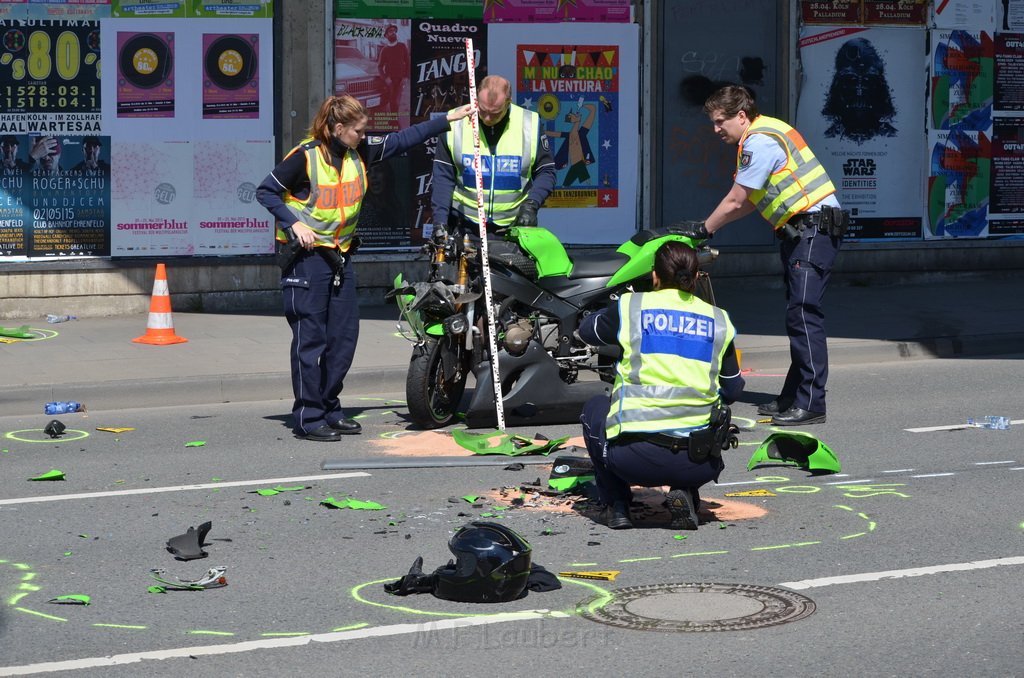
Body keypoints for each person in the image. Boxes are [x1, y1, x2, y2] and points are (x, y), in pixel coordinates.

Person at [256, 94, 474, 441]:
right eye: (357, 130)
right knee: (310, 341)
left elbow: (405, 139)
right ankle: (309, 417)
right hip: (307, 260)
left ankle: (330, 407)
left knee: (343, 340)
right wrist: (292, 224)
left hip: (340, 257)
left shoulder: (360, 152)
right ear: (338, 128)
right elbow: (266, 191)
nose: (363, 135)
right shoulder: (305, 158)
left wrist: (448, 118)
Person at [679, 85, 846, 426]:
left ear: (741, 116)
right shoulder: (761, 135)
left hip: (813, 230)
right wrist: (710, 225)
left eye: (720, 121)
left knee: (803, 314)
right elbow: (749, 202)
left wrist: (704, 230)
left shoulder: (760, 140)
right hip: (804, 232)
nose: (716, 129)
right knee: (797, 314)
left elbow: (737, 200)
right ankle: (791, 396)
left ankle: (812, 403)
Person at [579, 241, 745, 531]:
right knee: (705, 422)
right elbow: (732, 391)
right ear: (695, 277)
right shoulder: (719, 321)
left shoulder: (631, 307)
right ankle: (686, 493)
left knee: (594, 408)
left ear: (654, 275)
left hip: (631, 460)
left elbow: (587, 332)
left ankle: (617, 505)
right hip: (697, 462)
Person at [431, 74, 557, 234]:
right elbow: (443, 177)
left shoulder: (529, 123)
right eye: (483, 111)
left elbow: (547, 172)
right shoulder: (455, 123)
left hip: (514, 226)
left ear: (508, 102)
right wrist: (440, 222)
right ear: (476, 99)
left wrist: (531, 204)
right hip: (464, 225)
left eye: (495, 113)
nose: (488, 118)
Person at [377, 24, 409, 126]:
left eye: (394, 31)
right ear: (386, 35)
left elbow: (408, 62)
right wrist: (386, 78)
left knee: (397, 101)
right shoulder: (385, 50)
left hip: (400, 79)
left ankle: (394, 121)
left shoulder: (402, 46)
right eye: (391, 31)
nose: (393, 33)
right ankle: (394, 122)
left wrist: (406, 77)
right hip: (390, 80)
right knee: (392, 100)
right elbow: (379, 66)